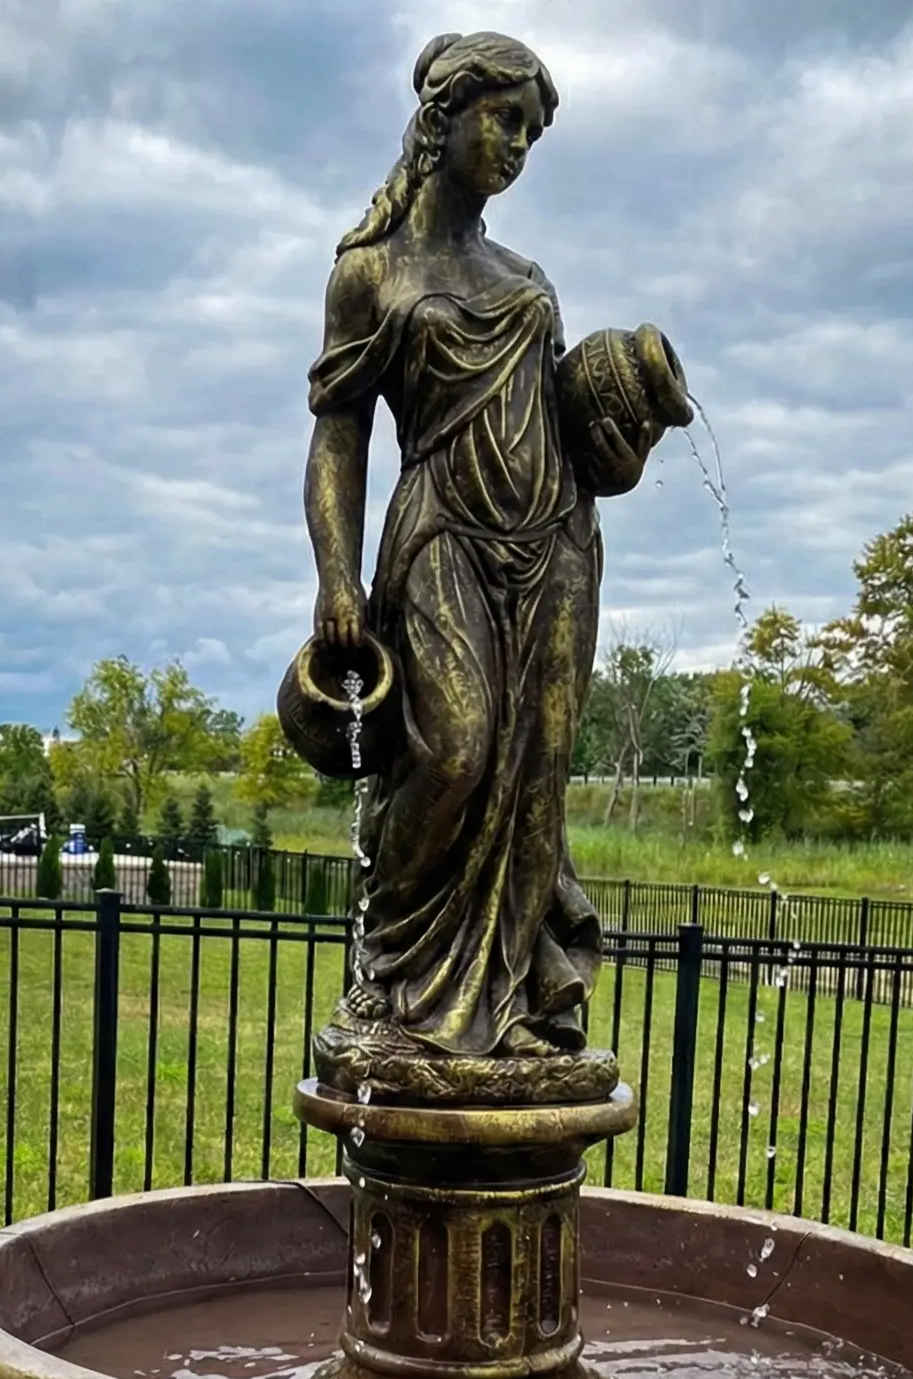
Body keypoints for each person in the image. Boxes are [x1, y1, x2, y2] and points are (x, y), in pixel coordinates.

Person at [304, 31, 604, 1067]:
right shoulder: (369, 273)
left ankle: (515, 1004)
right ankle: (389, 977)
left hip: (555, 543)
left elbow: (574, 426)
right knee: (458, 747)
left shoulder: (527, 280)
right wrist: (336, 579)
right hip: (439, 532)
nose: (517, 143)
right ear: (444, 115)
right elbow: (338, 436)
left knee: (533, 779)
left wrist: (628, 408)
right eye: (504, 118)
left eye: (530, 130)